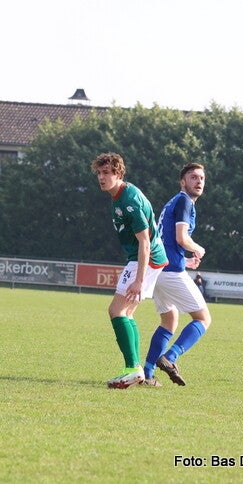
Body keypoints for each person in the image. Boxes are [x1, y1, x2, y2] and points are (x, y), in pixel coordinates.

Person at [91, 152, 168, 389]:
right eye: (99, 173)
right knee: (127, 313)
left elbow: (144, 241)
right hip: (147, 258)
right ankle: (136, 370)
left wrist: (139, 280)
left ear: (118, 173)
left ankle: (132, 369)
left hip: (146, 258)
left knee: (116, 310)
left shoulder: (129, 199)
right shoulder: (118, 195)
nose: (101, 178)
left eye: (106, 173)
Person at [143, 163, 212, 386]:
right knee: (203, 318)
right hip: (170, 271)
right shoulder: (184, 201)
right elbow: (181, 238)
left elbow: (166, 239)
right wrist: (197, 248)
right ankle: (170, 357)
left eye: (201, 178)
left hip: (157, 269)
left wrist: (186, 260)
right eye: (193, 177)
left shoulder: (174, 201)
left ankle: (147, 373)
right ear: (183, 182)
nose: (199, 181)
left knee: (169, 320)